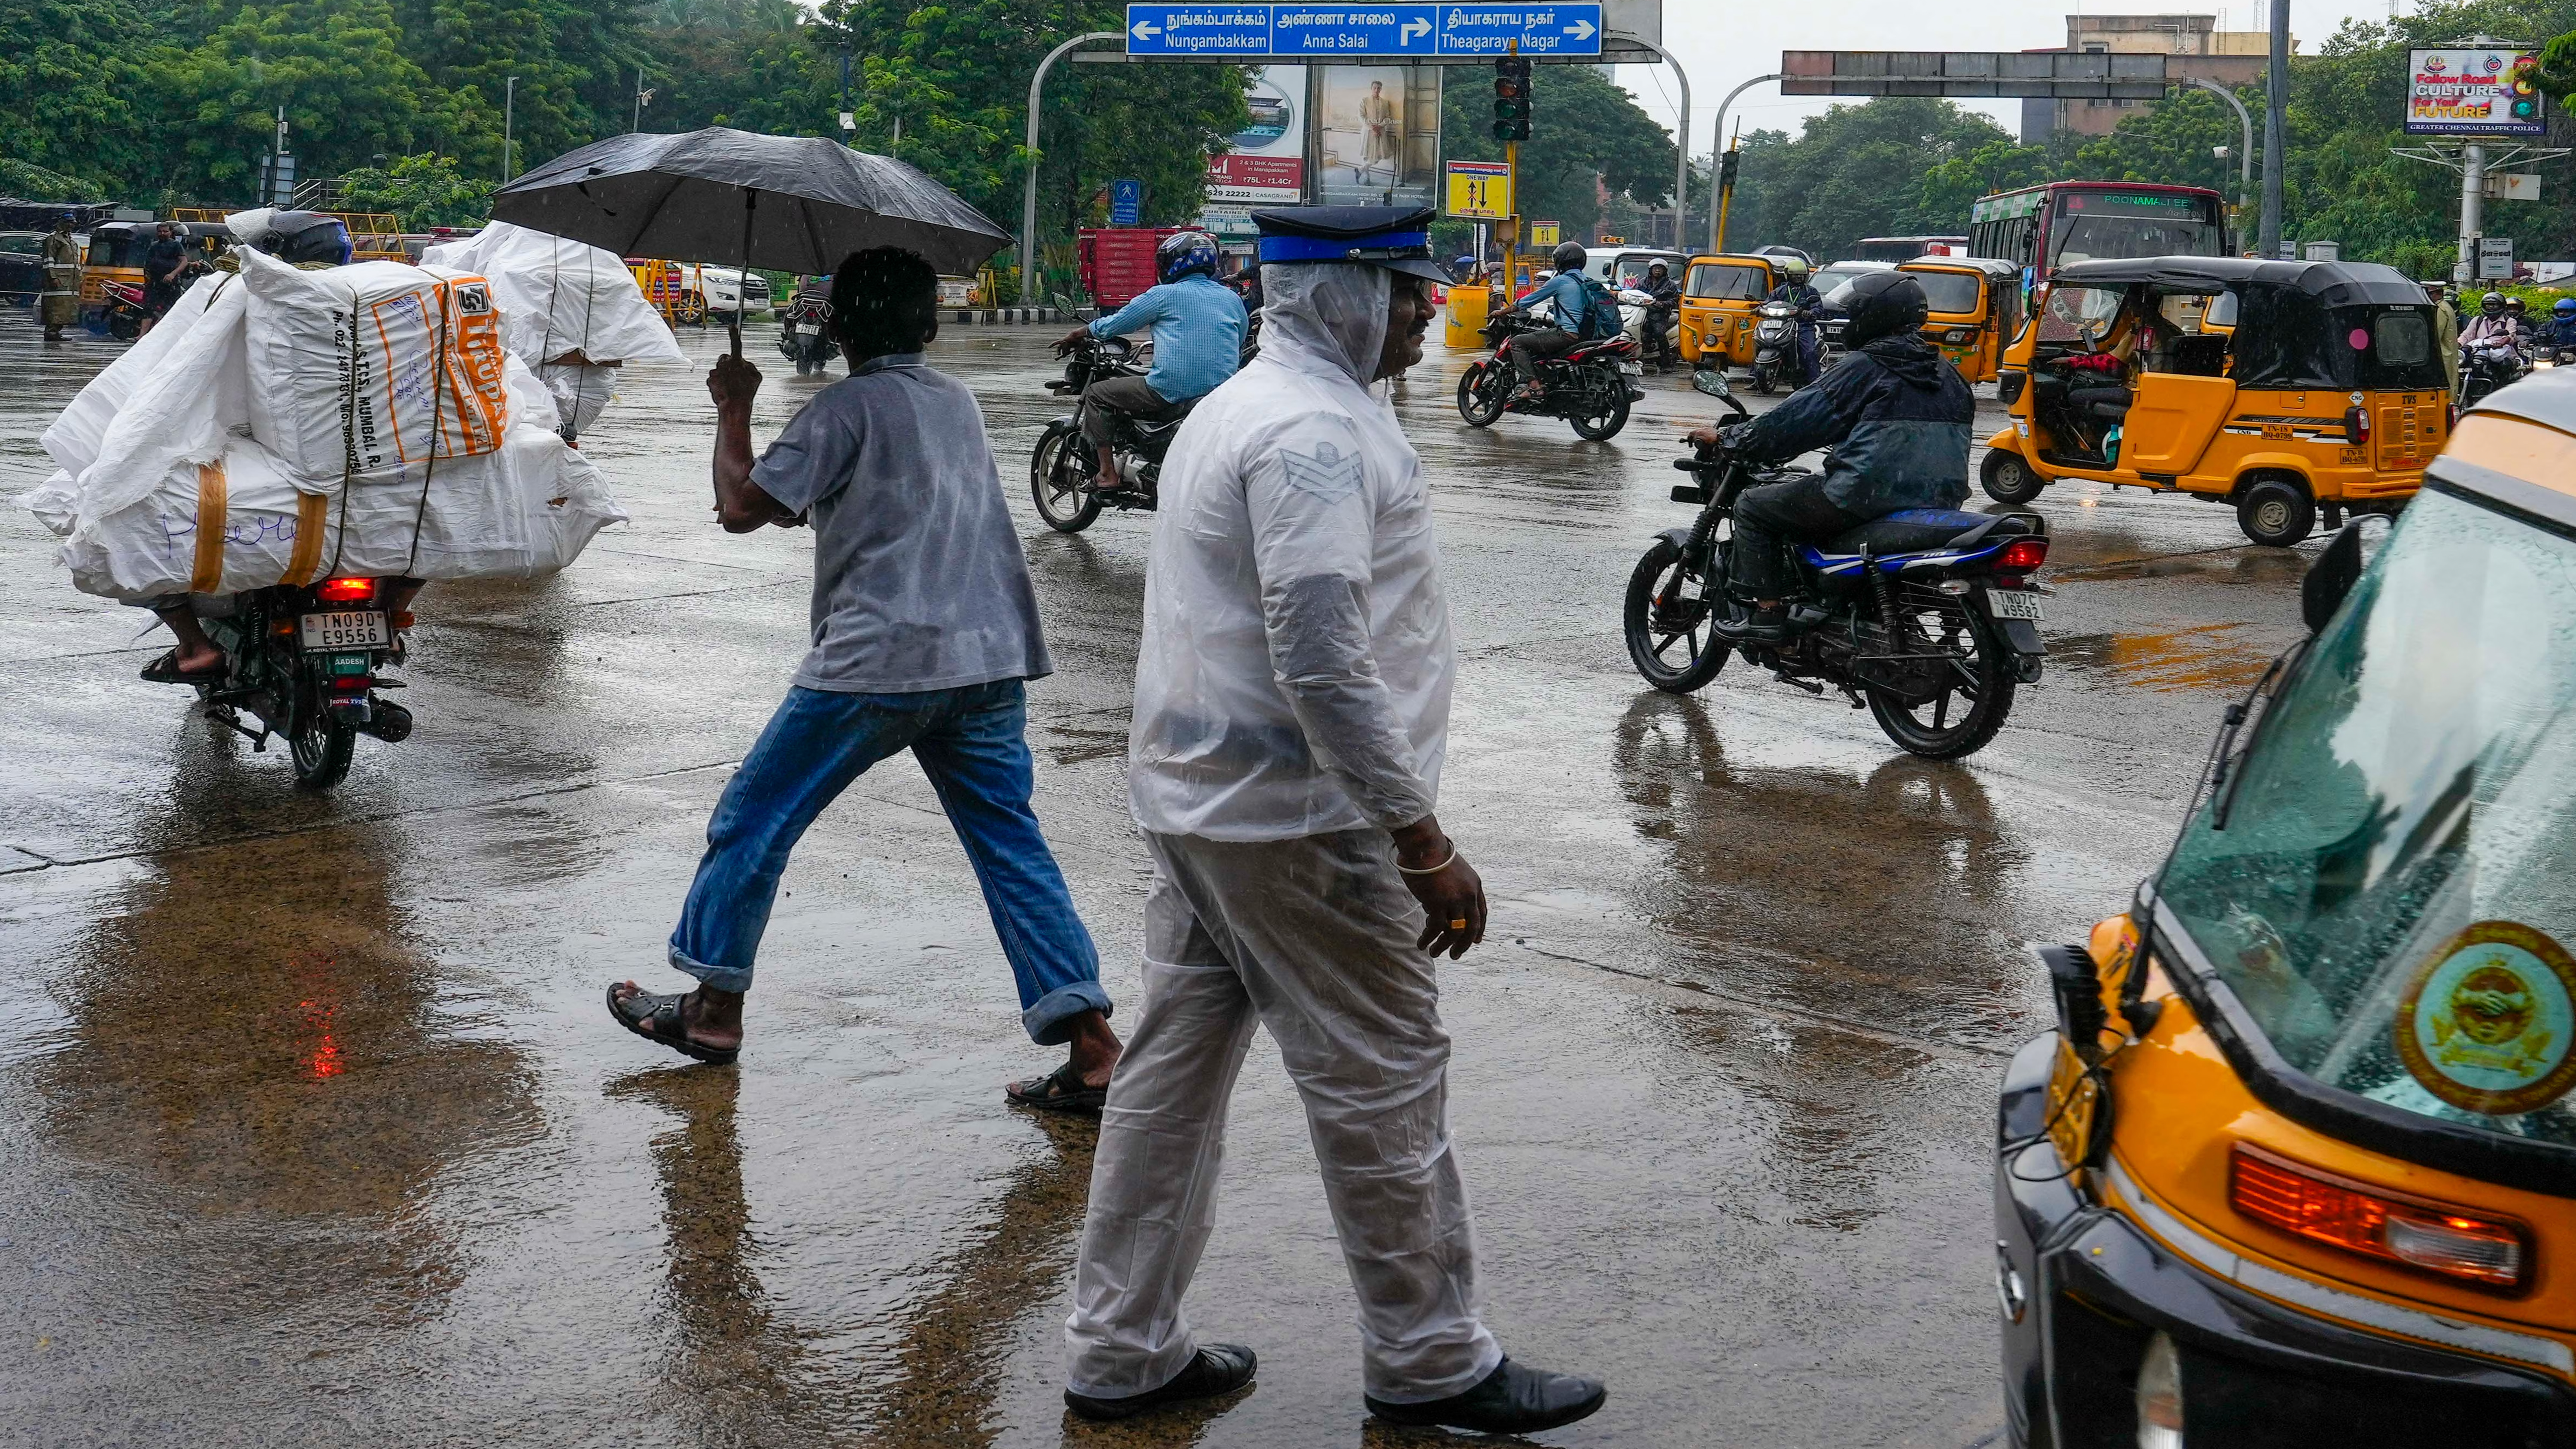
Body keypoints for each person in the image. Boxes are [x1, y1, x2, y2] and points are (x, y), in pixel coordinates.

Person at [1061, 204, 1607, 1435]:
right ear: (1342, 294)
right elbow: (1320, 650)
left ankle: (1120, 1342)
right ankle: (1429, 1357)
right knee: (1382, 1078)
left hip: (1207, 808)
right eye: (1405, 287)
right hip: (1304, 824)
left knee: (1171, 1078)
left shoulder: (1245, 406)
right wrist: (1419, 835)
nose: (1425, 306)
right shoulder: (1309, 431)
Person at [608, 245, 1124, 1114]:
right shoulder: (953, 401)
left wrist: (734, 408)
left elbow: (741, 509)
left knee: (754, 819)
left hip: (881, 660)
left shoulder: (841, 408)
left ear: (837, 323)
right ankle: (1092, 1040)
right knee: (1010, 847)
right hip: (989, 658)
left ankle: (711, 1010)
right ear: (930, 324)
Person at [1690, 271, 1974, 645]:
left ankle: (1768, 613)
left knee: (1753, 507)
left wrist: (1731, 438)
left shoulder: (1866, 366)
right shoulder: (1949, 373)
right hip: (1939, 503)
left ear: (1873, 318)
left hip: (1864, 496)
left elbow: (1793, 422)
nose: (1847, 323)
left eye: (1853, 316)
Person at [1054, 230, 1244, 495]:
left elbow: (1118, 324)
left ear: (1173, 264)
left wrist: (1078, 334)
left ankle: (1107, 474)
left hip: (1171, 389)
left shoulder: (1163, 295)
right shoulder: (1232, 299)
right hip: (1221, 393)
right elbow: (1239, 341)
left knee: (1098, 394)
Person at [1498, 240, 1605, 393]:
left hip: (1567, 335)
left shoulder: (1560, 281)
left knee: (1517, 342)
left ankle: (1534, 386)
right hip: (1588, 337)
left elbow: (1525, 302)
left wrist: (1501, 312)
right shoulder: (1589, 282)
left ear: (1560, 261)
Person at [1766, 257, 1823, 386]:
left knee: (1809, 352)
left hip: (1802, 326)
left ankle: (1816, 382)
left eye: (1801, 275)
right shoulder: (1779, 291)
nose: (1799, 277)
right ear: (1788, 275)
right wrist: (1760, 308)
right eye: (1795, 275)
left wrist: (1811, 313)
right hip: (1781, 325)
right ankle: (1757, 377)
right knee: (1762, 342)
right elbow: (1767, 304)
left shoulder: (1811, 291)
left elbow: (1818, 308)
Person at [141, 222, 189, 334]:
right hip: (154, 282)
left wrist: (172, 274)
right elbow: (147, 265)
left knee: (171, 309)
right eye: (160, 232)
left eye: (165, 232)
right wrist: (147, 280)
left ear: (171, 233)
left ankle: (161, 333)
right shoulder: (154, 246)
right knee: (148, 308)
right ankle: (142, 335)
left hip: (171, 283)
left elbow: (184, 262)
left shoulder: (176, 245)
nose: (162, 234)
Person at [39, 215, 81, 343]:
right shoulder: (53, 239)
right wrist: (53, 277)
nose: (71, 225)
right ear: (61, 223)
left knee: (66, 307)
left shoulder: (71, 240)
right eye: (68, 223)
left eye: (73, 223)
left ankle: (56, 331)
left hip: (71, 280)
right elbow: (48, 261)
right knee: (56, 306)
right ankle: (51, 332)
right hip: (59, 279)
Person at [1639, 258, 1683, 372]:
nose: (1657, 271)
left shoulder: (1670, 285)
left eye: (1660, 269)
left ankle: (1666, 364)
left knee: (1659, 333)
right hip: (1642, 311)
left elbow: (1674, 301)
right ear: (1651, 270)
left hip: (1660, 314)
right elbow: (1634, 292)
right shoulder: (1643, 282)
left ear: (1665, 271)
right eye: (1655, 268)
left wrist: (1661, 304)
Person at [2425, 281, 2461, 395]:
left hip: (2443, 354)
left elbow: (2435, 335)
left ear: (2436, 294)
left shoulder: (2440, 309)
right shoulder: (2446, 307)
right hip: (2447, 353)